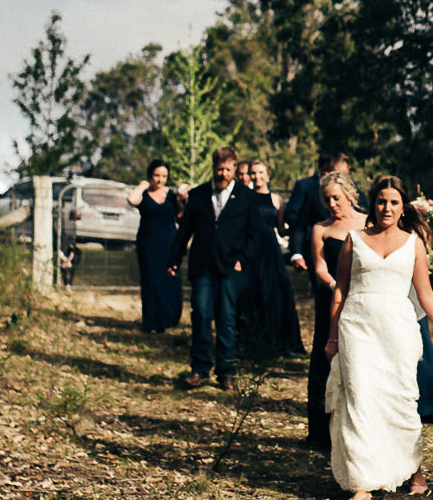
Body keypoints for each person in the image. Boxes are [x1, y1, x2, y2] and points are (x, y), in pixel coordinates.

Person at [325, 175, 433, 500]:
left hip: (397, 330)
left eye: (393, 202)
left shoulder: (413, 243)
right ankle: (362, 482)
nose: (386, 208)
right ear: (372, 204)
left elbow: (426, 295)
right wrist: (332, 338)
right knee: (361, 399)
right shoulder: (354, 240)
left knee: (401, 400)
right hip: (358, 327)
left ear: (403, 206)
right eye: (380, 201)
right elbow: (340, 290)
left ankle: (412, 470)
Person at [167, 145, 268, 391]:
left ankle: (226, 372)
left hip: (231, 268)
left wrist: (242, 260)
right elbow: (185, 230)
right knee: (201, 315)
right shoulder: (198, 195)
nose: (223, 174)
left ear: (235, 169)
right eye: (219, 169)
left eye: (228, 169)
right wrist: (174, 259)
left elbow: (254, 235)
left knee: (227, 318)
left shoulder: (247, 197)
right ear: (213, 168)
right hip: (202, 265)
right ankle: (200, 368)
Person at [305, 173, 365, 451]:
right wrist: (336, 285)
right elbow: (318, 267)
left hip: (363, 299)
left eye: (336, 198)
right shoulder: (320, 228)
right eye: (327, 199)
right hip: (330, 299)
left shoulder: (368, 223)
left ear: (350, 195)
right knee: (324, 358)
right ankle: (321, 431)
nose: (332, 204)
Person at [238, 159, 304, 359]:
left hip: (270, 251)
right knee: (250, 294)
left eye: (260, 172)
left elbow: (281, 228)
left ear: (268, 175)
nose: (257, 177)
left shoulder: (277, 200)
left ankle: (279, 341)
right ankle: (251, 342)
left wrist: (300, 226)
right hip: (250, 249)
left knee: (276, 293)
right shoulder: (243, 197)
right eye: (253, 173)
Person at [126, 160, 183, 334]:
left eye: (164, 176)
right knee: (151, 280)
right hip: (148, 242)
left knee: (169, 279)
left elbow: (180, 216)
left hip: (169, 242)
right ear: (151, 175)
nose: (160, 179)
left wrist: (182, 199)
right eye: (157, 175)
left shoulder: (171, 195)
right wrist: (143, 186)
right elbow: (131, 199)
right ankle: (151, 322)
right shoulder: (144, 194)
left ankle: (168, 319)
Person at [282, 151, 350, 273]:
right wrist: (310, 234)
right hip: (314, 248)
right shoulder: (306, 187)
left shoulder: (350, 188)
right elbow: (295, 218)